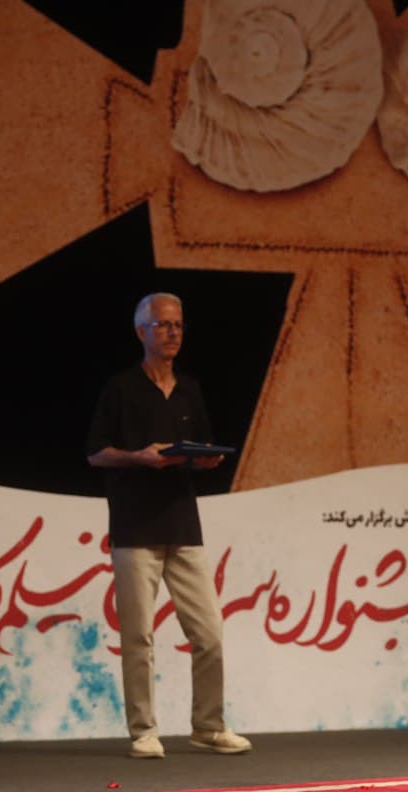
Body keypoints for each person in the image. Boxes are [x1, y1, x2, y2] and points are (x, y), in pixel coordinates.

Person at [86, 292, 251, 759]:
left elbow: (197, 447)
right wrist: (138, 457)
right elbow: (96, 453)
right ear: (141, 331)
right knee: (139, 636)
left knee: (209, 632)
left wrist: (204, 460)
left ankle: (209, 725)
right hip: (135, 526)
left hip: (182, 523)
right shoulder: (121, 388)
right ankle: (143, 730)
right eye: (162, 324)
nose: (173, 332)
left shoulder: (189, 389)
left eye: (177, 324)